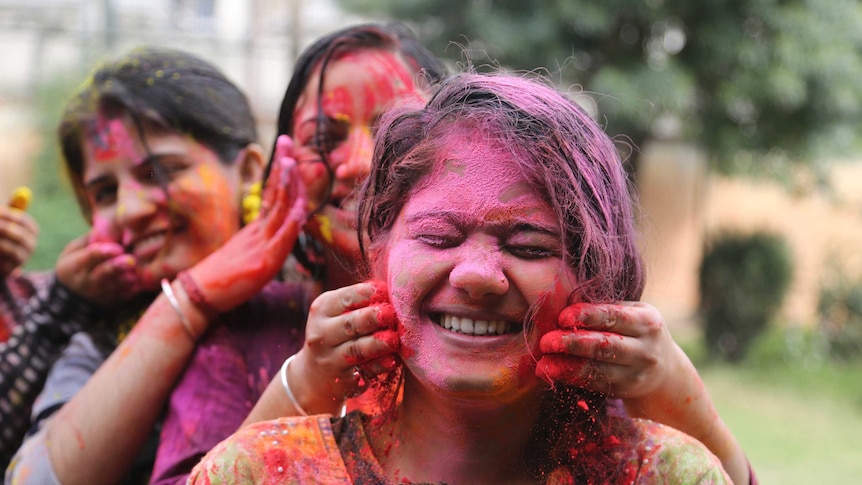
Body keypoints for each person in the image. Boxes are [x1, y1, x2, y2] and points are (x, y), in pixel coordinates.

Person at [239, 22, 754, 485]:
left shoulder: (660, 474)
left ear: (598, 284)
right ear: (378, 251)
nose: (477, 275)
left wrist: (673, 388)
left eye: (529, 246)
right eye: (438, 238)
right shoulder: (261, 469)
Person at [5, 46, 310, 485]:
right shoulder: (100, 341)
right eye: (105, 192)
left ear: (247, 171)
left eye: (158, 173)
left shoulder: (317, 297)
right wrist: (187, 302)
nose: (130, 209)